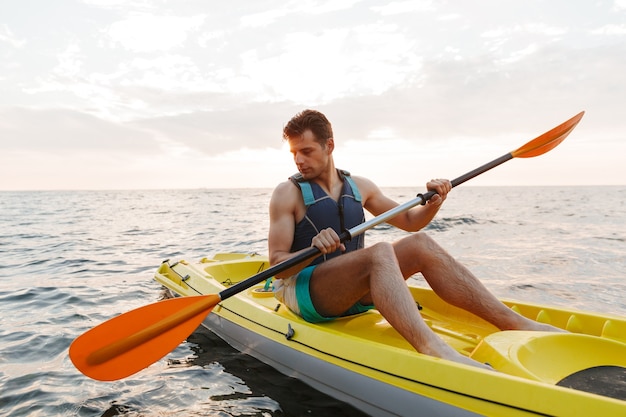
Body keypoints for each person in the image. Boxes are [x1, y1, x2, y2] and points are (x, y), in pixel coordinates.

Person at [268, 109, 558, 369]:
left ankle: (512, 322)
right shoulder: (287, 193)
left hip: (351, 289)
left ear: (329, 146)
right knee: (380, 252)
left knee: (421, 244)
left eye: (306, 151)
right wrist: (313, 249)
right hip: (306, 293)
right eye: (294, 153)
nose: (299, 160)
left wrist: (434, 201)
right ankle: (431, 347)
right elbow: (277, 264)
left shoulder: (360, 187)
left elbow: (410, 222)